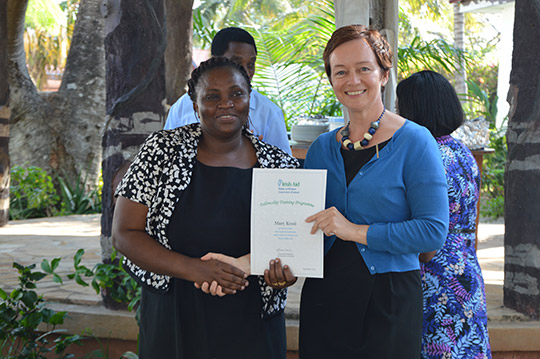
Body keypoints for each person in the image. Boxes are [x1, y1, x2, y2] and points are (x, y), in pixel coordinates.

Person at [112, 57, 299, 359]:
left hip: (252, 319)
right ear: (195, 105)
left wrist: (283, 274)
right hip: (174, 314)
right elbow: (124, 234)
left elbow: (290, 248)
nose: (226, 104)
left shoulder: (280, 166)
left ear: (249, 99)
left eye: (236, 94)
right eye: (212, 97)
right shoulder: (162, 151)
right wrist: (195, 270)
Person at [298, 25, 449, 358]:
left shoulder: (415, 141)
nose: (353, 80)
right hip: (326, 296)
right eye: (341, 72)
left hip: (390, 299)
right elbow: (304, 227)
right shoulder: (321, 149)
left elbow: (432, 232)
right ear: (331, 80)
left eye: (363, 68)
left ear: (383, 74)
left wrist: (354, 231)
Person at [396, 70, 492, 359]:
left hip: (434, 271)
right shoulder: (462, 151)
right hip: (465, 267)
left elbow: (424, 231)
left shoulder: (427, 155)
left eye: (400, 107)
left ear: (415, 110)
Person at [165, 27, 292, 155]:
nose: (246, 72)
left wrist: (259, 154)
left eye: (251, 64)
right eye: (236, 63)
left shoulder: (269, 112)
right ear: (215, 60)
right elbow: (168, 155)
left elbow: (283, 171)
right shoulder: (181, 107)